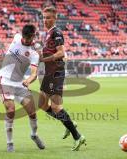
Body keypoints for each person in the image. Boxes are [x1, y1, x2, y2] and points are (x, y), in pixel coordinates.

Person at [38, 6, 86, 151]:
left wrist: (45, 59)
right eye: (44, 17)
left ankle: (78, 136)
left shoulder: (57, 33)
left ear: (55, 18)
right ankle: (70, 124)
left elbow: (61, 53)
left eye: (48, 18)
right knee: (42, 103)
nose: (45, 20)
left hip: (55, 73)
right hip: (49, 73)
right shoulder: (47, 34)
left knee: (56, 107)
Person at [0, 24, 45, 152]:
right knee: (11, 110)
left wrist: (28, 80)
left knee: (32, 112)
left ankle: (34, 135)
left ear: (33, 37)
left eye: (29, 39)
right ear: (22, 35)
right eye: (25, 38)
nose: (26, 40)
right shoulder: (16, 37)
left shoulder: (34, 53)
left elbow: (34, 73)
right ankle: (10, 143)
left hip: (20, 83)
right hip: (5, 80)